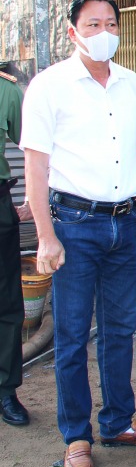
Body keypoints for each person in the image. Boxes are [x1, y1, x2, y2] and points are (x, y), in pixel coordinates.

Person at [21, 0, 136, 467]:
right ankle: (77, 437)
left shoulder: (132, 84)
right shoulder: (49, 86)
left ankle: (118, 422)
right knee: (70, 336)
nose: (104, 31)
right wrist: (46, 236)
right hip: (73, 226)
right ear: (73, 32)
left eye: (110, 23)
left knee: (120, 331)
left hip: (125, 224)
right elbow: (36, 167)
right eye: (92, 24)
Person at [0, 70, 30, 428]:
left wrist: (36, 199)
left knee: (7, 300)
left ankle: (5, 389)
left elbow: (34, 147)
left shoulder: (6, 91)